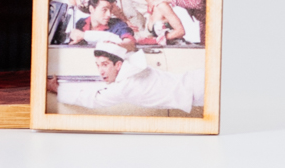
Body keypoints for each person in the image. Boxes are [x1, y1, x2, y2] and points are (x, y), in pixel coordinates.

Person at [46, 34, 204, 114]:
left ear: (118, 65)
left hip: (199, 90)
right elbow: (112, 39)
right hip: (197, 80)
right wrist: (84, 35)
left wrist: (57, 89)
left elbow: (92, 99)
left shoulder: (123, 87)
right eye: (98, 65)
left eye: (105, 65)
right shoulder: (131, 63)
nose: (101, 71)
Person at [67, 0, 134, 45]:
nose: (109, 14)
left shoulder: (118, 25)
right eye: (104, 10)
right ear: (91, 9)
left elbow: (130, 43)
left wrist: (116, 45)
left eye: (110, 10)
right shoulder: (80, 23)